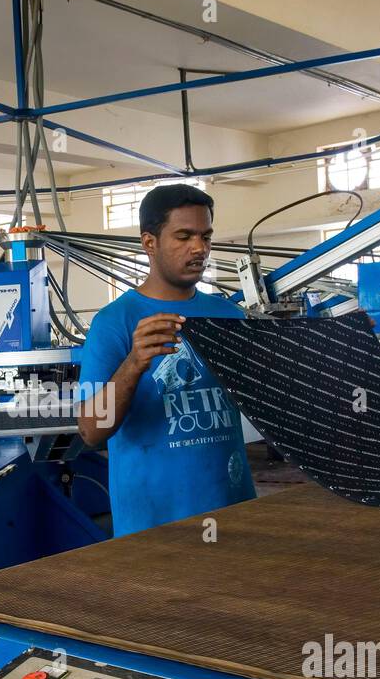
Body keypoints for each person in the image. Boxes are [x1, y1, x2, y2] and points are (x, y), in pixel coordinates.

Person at [76, 184, 255, 536]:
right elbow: (91, 431)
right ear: (149, 243)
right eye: (184, 236)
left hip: (234, 512)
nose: (199, 248)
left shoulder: (229, 315)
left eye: (206, 236)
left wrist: (338, 345)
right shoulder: (116, 321)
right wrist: (134, 362)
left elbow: (272, 398)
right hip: (152, 526)